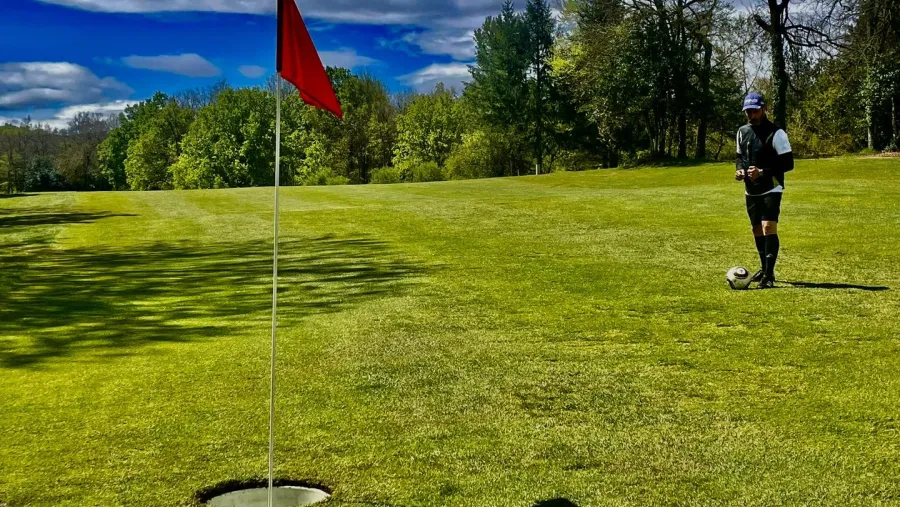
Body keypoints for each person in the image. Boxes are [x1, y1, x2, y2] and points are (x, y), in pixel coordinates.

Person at [735, 92, 794, 289]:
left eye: (755, 111)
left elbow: (788, 163)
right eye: (748, 112)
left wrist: (762, 172)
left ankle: (769, 274)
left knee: (769, 226)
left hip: (772, 186)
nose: (752, 115)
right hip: (751, 190)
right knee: (756, 229)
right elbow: (739, 156)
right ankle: (764, 267)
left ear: (764, 109)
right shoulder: (742, 132)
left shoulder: (776, 133)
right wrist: (740, 171)